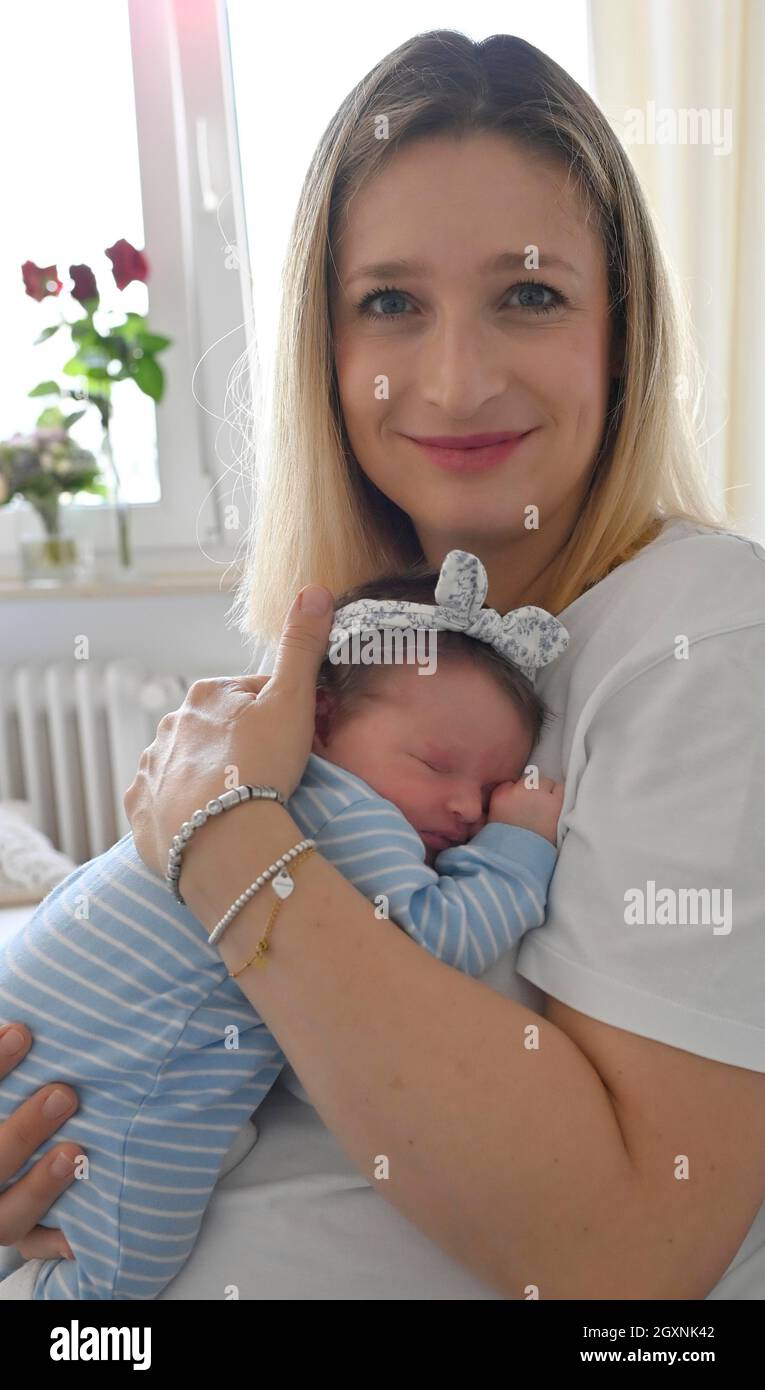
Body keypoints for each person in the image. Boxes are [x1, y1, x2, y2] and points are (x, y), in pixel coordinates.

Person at [1, 29, 764, 1301]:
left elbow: (629, 1255)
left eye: (529, 294)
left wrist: (231, 840)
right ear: (326, 348)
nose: (456, 381)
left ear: (619, 338)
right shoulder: (345, 656)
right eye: (391, 302)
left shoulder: (706, 634)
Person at [0, 550, 566, 1299]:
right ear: (320, 719)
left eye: (492, 785)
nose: (467, 807)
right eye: (436, 765)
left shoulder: (252, 771)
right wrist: (517, 844)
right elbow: (426, 949)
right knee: (125, 1266)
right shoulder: (343, 806)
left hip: (38, 1036)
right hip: (101, 1077)